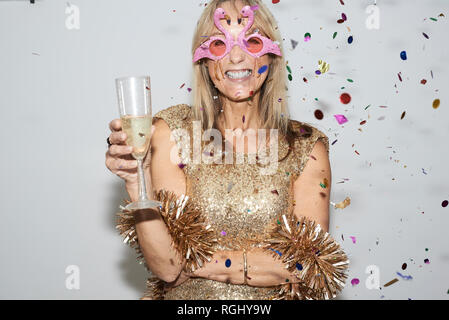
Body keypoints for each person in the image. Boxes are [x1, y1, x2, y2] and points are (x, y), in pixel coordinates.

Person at [105, 0, 348, 300]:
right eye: (219, 44)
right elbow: (168, 269)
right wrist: (137, 183)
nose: (236, 56)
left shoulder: (305, 146)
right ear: (204, 61)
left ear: (272, 56)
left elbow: (308, 264)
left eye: (253, 41)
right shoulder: (173, 132)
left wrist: (206, 264)